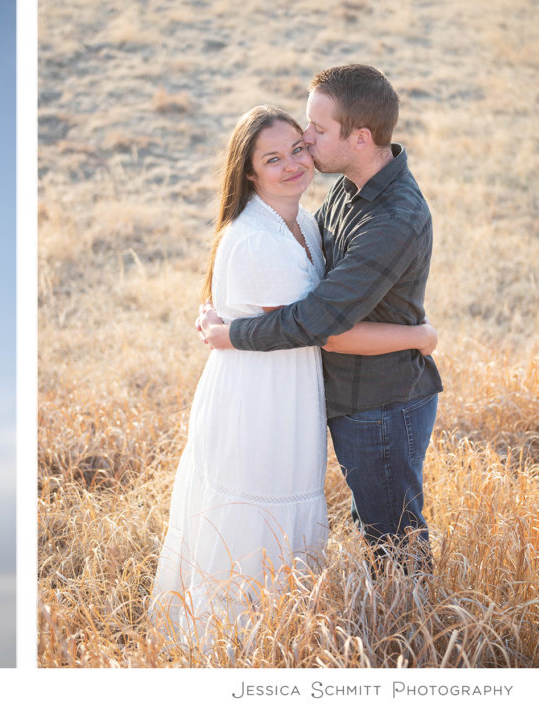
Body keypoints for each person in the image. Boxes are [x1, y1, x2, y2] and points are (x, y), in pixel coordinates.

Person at [150, 104, 437, 645]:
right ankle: (233, 646)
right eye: (273, 158)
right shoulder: (261, 239)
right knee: (254, 512)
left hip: (286, 388)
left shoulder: (303, 218)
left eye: (300, 148)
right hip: (259, 399)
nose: (293, 164)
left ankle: (281, 636)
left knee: (285, 509)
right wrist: (421, 336)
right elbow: (323, 328)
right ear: (250, 171)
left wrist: (224, 323)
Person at [198, 65, 443, 573]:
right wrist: (418, 333)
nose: (305, 140)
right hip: (348, 396)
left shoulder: (392, 218)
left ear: (359, 138)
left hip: (381, 401)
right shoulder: (349, 188)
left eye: (316, 130)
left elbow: (320, 321)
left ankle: (417, 636)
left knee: (395, 544)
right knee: (375, 524)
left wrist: (231, 334)